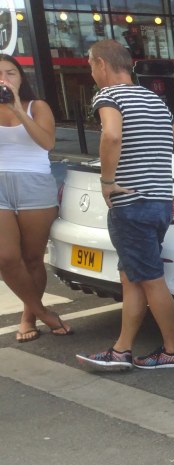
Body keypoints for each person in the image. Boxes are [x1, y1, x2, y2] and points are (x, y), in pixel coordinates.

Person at [77, 39, 174, 371]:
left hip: (130, 202)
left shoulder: (109, 96)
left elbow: (112, 136)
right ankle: (122, 350)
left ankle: (173, 349)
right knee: (132, 277)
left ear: (102, 64)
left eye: (90, 65)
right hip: (160, 203)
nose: (91, 72)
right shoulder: (155, 99)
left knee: (149, 278)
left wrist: (106, 182)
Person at [0, 53, 71, 343]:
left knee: (31, 257)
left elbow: (47, 142)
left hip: (34, 183)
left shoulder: (36, 106)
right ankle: (43, 312)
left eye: (10, 73)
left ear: (21, 77)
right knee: (5, 258)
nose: (4, 79)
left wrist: (17, 109)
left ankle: (28, 315)